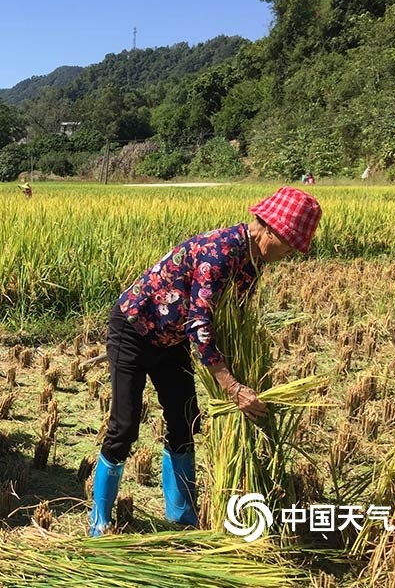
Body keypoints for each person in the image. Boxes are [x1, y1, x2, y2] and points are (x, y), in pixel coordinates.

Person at [87, 186, 322, 535]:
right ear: (269, 228)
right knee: (125, 426)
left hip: (171, 340)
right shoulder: (220, 252)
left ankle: (181, 516)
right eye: (288, 245)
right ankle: (99, 517)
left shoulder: (252, 262)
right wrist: (231, 385)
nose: (287, 254)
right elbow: (201, 324)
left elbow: (227, 320)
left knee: (184, 420)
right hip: (134, 330)